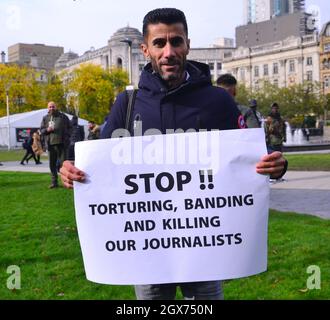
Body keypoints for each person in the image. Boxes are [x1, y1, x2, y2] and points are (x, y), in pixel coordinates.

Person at [60, 8, 287, 300]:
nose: (169, 51)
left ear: (187, 45)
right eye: (159, 43)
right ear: (145, 49)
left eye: (176, 41)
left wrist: (277, 165)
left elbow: (251, 159)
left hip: (206, 249)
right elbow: (99, 168)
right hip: (147, 252)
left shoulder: (218, 101)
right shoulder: (127, 104)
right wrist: (71, 171)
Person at [40, 101, 71, 188]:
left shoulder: (63, 117)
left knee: (63, 164)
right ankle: (54, 182)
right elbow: (41, 131)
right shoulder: (45, 118)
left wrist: (67, 137)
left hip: (62, 144)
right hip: (51, 145)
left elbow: (70, 127)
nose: (51, 108)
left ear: (56, 107)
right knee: (52, 164)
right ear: (47, 108)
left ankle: (65, 182)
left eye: (53, 106)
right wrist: (47, 130)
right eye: (50, 107)